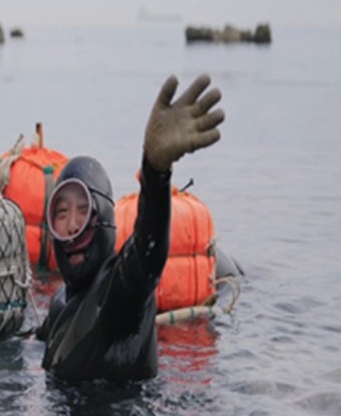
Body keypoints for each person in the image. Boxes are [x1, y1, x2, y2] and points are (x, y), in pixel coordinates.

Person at [37, 73, 225, 383]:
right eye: (62, 212)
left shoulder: (118, 296)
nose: (72, 226)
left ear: (106, 220)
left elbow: (144, 261)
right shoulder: (60, 302)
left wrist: (156, 171)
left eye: (84, 211)